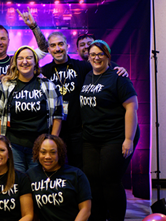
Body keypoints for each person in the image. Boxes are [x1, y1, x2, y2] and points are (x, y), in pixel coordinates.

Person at [41, 31, 127, 170]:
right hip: (55, 130)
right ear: (49, 49)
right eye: (53, 45)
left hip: (79, 131)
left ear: (67, 46)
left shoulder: (81, 66)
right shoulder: (44, 71)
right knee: (56, 168)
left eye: (60, 44)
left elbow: (103, 65)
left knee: (80, 169)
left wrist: (119, 68)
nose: (58, 49)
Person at [79, 40, 139, 221]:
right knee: (92, 181)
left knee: (110, 181)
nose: (97, 57)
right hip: (91, 139)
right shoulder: (88, 75)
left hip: (115, 137)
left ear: (108, 56)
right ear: (88, 57)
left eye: (101, 54)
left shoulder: (118, 77)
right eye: (93, 54)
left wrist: (128, 138)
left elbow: (131, 106)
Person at [0, 45, 63, 172]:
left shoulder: (48, 86)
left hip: (40, 146)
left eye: (29, 58)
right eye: (21, 58)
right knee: (18, 182)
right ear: (15, 62)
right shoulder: (5, 86)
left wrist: (52, 142)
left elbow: (58, 115)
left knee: (36, 183)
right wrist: (0, 143)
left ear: (35, 62)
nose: (25, 62)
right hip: (13, 145)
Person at [27, 134, 92, 221]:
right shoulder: (30, 175)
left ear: (60, 153)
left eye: (53, 152)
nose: (47, 157)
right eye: (43, 152)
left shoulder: (76, 174)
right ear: (37, 153)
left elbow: (86, 210)